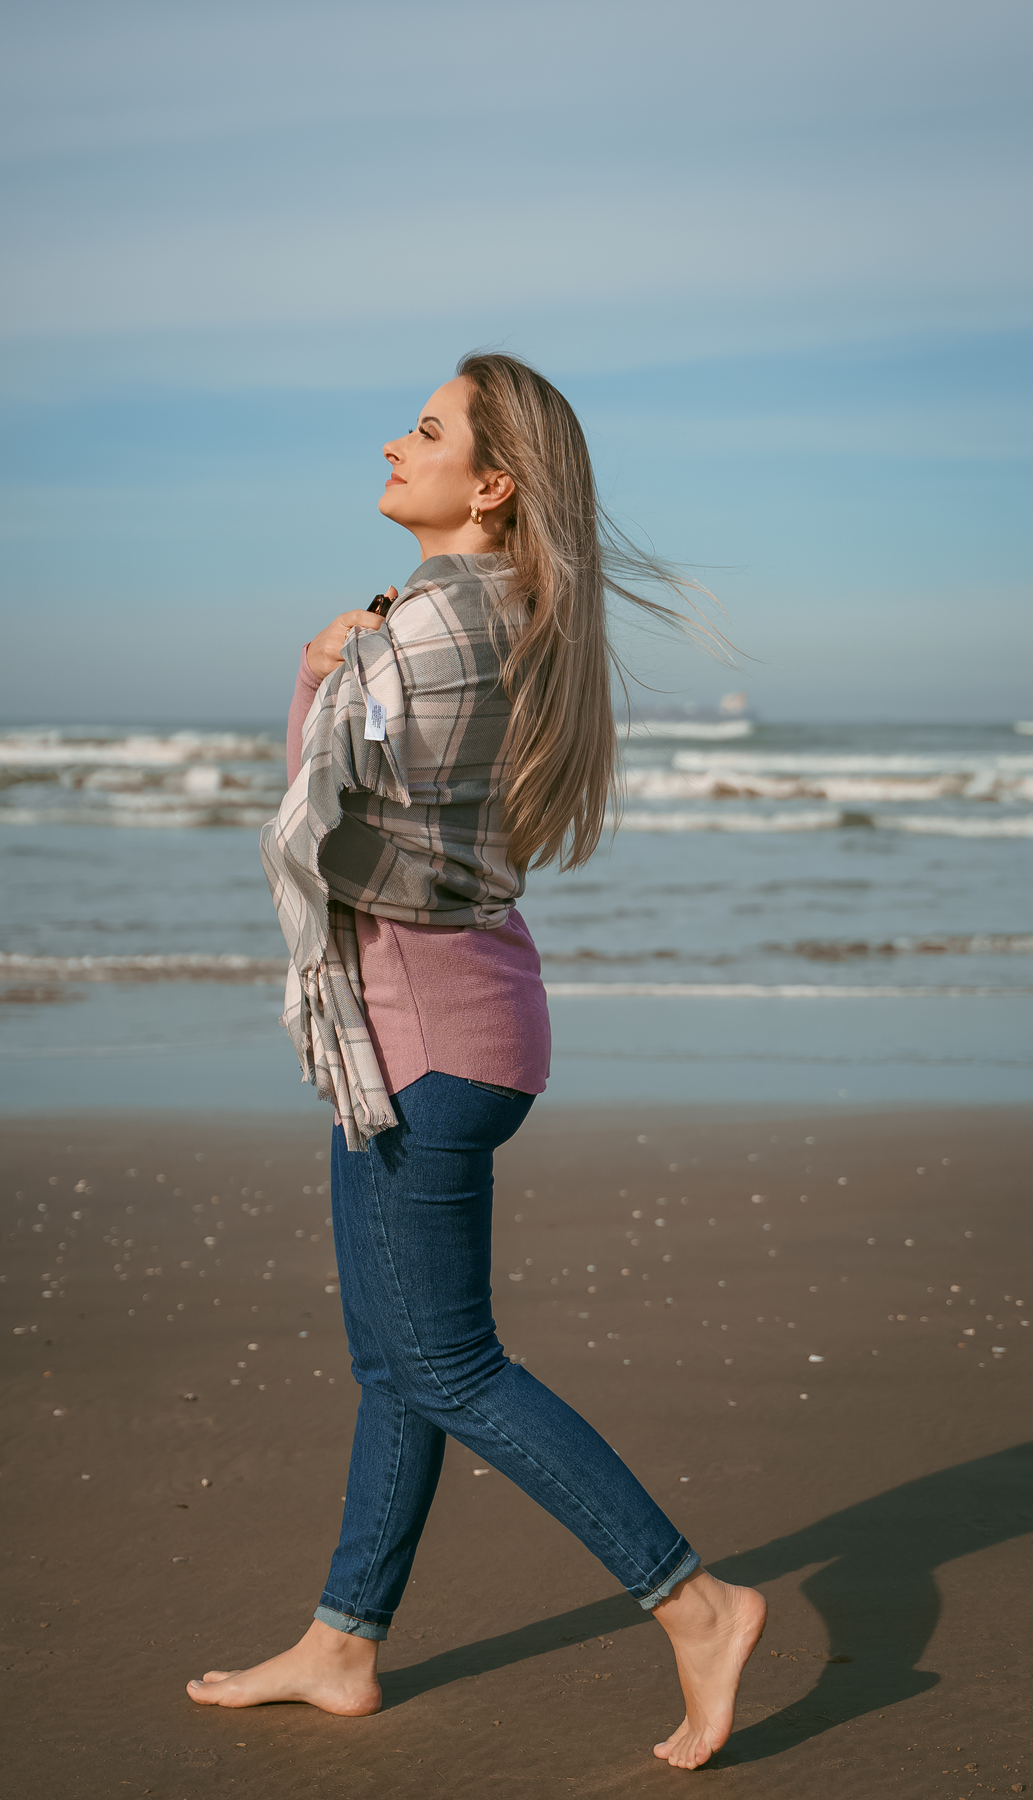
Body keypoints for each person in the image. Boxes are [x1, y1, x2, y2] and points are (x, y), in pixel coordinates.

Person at [187, 353, 765, 1769]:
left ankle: (692, 1602)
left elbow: (326, 822)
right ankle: (342, 1642)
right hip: (445, 1031)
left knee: (444, 1359)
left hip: (427, 1041)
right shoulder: (491, 617)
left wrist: (321, 668)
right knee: (394, 1357)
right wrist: (341, 666)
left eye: (428, 431)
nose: (396, 442)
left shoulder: (420, 632)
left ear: (489, 485)